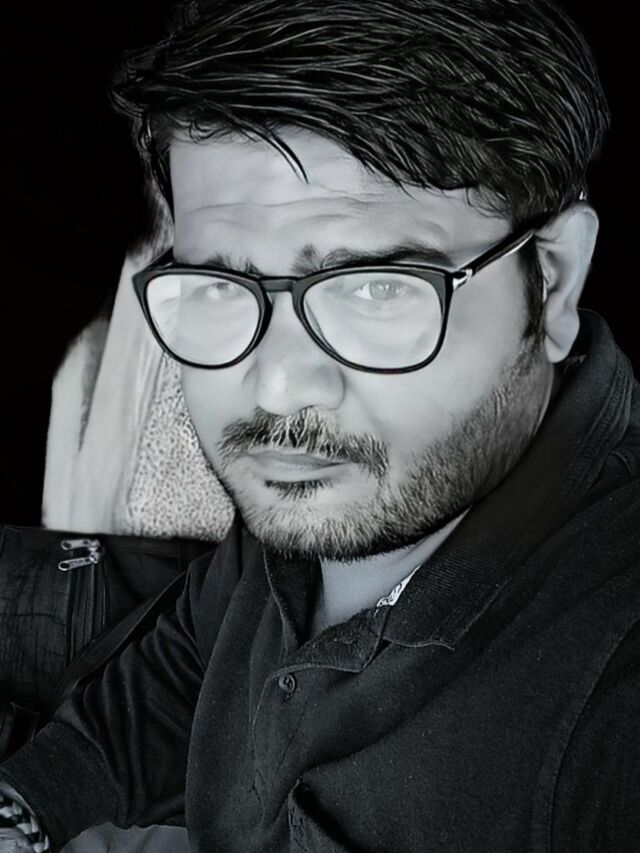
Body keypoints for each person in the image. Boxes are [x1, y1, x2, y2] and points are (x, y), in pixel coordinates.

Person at [1, 0, 638, 850]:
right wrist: (27, 806)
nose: (275, 386)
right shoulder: (322, 491)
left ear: (551, 281)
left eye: (373, 287)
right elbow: (192, 658)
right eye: (221, 283)